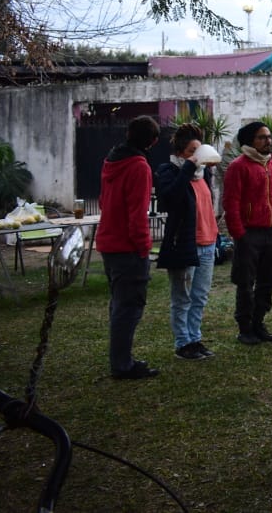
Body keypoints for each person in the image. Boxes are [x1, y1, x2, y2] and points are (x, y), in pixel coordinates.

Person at [96, 115, 161, 379]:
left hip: (109, 241)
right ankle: (122, 364)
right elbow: (138, 214)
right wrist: (143, 248)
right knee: (129, 306)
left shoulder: (111, 160)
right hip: (127, 247)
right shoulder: (138, 166)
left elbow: (102, 201)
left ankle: (120, 359)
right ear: (153, 142)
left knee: (120, 303)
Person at [154, 123, 218, 360]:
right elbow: (170, 199)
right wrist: (188, 168)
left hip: (208, 241)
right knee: (182, 297)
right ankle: (183, 343)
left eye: (199, 151)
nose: (197, 156)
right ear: (181, 152)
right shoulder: (168, 170)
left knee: (199, 296)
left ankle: (195, 338)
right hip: (184, 243)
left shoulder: (205, 174)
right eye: (192, 151)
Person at [222, 120, 272, 345]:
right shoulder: (238, 166)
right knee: (245, 282)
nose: (268, 141)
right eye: (262, 137)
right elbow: (231, 203)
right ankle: (245, 327)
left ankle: (259, 321)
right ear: (251, 141)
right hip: (249, 233)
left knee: (271, 278)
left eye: (269, 137)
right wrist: (239, 233)